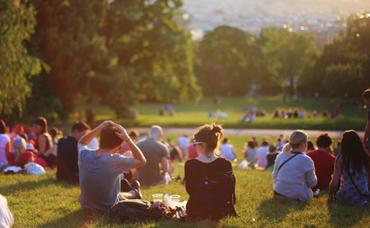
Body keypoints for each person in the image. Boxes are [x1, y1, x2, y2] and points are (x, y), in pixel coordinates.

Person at [79, 121, 147, 213]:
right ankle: (134, 193)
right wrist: (127, 138)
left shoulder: (84, 154)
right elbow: (142, 161)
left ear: (100, 140)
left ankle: (134, 193)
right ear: (118, 146)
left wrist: (100, 127)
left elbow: (82, 142)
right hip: (107, 207)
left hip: (86, 206)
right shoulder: (115, 160)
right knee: (116, 191)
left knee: (114, 190)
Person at [185, 123, 236, 220]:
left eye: (195, 144)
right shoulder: (226, 163)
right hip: (220, 209)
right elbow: (229, 190)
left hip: (197, 209)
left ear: (202, 145)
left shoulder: (190, 165)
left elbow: (190, 190)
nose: (195, 147)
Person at [273, 130, 317, 201]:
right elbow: (312, 183)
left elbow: (274, 176)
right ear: (303, 143)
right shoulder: (306, 160)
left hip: (278, 192)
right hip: (296, 195)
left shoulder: (280, 156)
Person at [329, 130, 370, 206]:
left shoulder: (341, 158)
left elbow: (334, 183)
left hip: (344, 196)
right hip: (362, 197)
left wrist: (330, 196)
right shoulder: (365, 158)